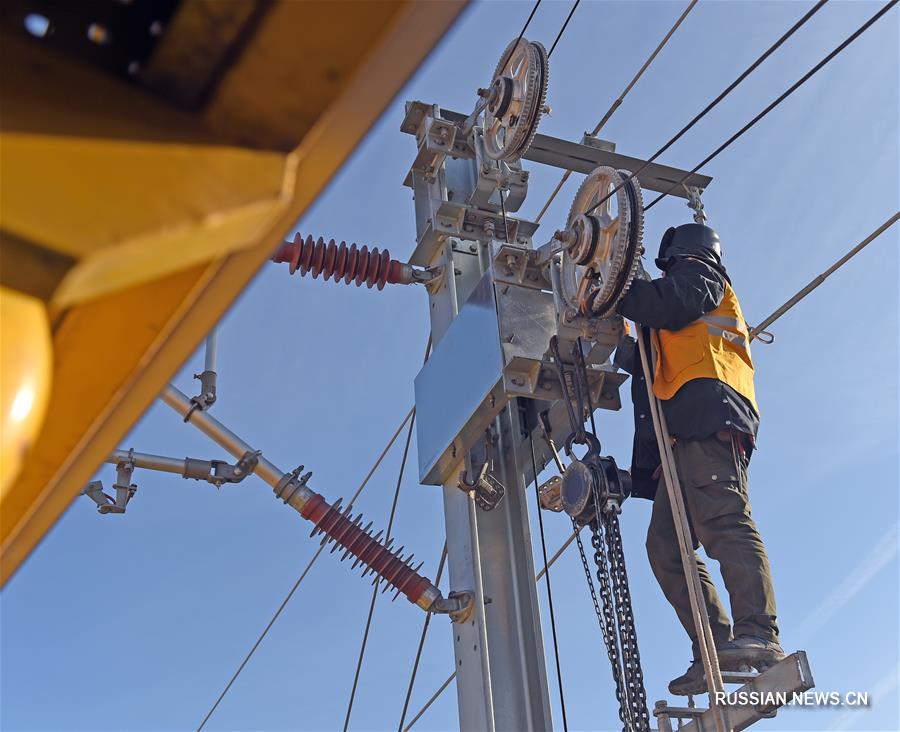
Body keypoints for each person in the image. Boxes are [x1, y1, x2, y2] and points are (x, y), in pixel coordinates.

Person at [613, 222, 784, 696]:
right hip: (682, 436)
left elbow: (664, 304)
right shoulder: (678, 305)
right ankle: (714, 645)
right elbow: (647, 353)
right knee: (665, 547)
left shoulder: (703, 277)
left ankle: (759, 634)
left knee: (723, 519)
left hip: (710, 417)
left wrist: (616, 285)